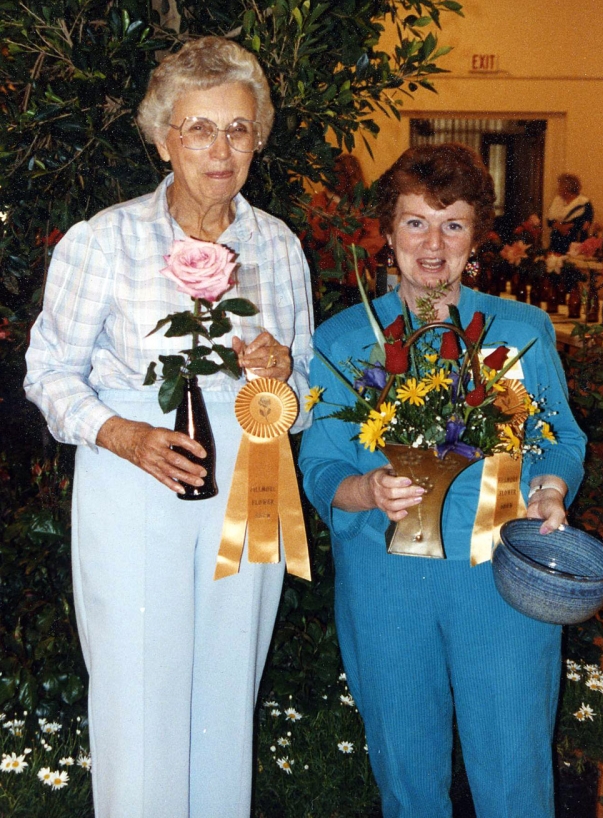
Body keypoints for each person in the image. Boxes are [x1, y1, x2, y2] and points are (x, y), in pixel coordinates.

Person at [24, 36, 313, 818]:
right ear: (162, 138)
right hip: (133, 479)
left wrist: (281, 377)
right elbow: (47, 372)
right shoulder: (105, 241)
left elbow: (308, 385)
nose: (221, 149)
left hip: (250, 480)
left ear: (258, 137)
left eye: (239, 129)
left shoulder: (280, 247)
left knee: (228, 686)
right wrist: (121, 433)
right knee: (140, 691)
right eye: (199, 128)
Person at [299, 143, 586, 818]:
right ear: (388, 233)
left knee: (515, 774)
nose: (434, 244)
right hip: (386, 581)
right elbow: (320, 467)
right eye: (416, 222)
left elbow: (561, 439)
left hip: (502, 579)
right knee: (406, 776)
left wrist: (550, 488)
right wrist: (366, 490)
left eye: (452, 223)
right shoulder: (342, 342)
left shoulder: (521, 330)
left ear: (476, 235)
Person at [306, 153, 386, 305]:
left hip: (355, 280)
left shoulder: (362, 204)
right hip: (326, 279)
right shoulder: (319, 202)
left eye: (342, 174)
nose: (336, 178)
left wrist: (354, 256)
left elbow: (374, 237)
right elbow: (314, 237)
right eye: (333, 173)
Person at [547, 173, 594, 253]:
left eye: (560, 186)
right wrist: (560, 227)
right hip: (556, 243)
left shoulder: (584, 203)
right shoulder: (557, 200)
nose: (558, 188)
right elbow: (549, 221)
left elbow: (585, 224)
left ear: (567, 187)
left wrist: (568, 226)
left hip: (575, 244)